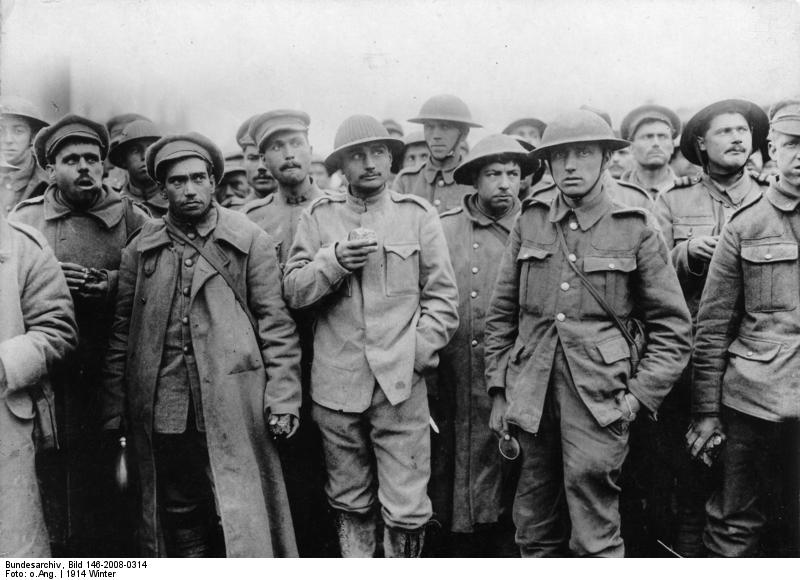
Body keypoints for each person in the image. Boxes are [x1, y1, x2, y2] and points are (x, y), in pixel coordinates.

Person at [484, 109, 692, 557]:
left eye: (583, 154)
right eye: (560, 156)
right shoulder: (531, 219)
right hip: (531, 396)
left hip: (601, 400)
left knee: (594, 531)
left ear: (604, 160)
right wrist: (500, 391)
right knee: (533, 526)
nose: (571, 165)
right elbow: (501, 315)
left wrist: (639, 396)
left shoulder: (635, 224)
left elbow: (673, 328)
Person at [101, 132, 301, 557]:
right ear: (162, 188)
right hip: (164, 403)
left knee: (238, 506)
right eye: (176, 182)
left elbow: (276, 326)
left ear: (213, 181)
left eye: (197, 178)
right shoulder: (141, 249)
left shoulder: (248, 239)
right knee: (178, 506)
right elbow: (122, 333)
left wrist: (284, 397)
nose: (188, 190)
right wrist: (116, 406)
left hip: (232, 399)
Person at [283, 114, 459, 557]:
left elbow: (442, 300)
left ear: (391, 159)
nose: (370, 163)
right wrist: (335, 260)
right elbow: (293, 292)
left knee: (407, 506)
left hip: (401, 388)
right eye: (357, 155)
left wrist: (416, 356)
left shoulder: (417, 216)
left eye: (378, 152)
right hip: (336, 386)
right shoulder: (319, 218)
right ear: (342, 165)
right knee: (348, 499)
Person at [10, 114, 150, 556]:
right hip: (48, 376)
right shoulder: (25, 221)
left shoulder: (133, 217)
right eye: (71, 160)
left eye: (93, 158)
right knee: (51, 473)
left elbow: (154, 282)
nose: (85, 167)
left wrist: (106, 285)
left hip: (113, 371)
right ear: (50, 170)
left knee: (114, 477)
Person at [645, 99, 770, 556]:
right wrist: (686, 253)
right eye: (724, 131)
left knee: (744, 482)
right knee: (689, 474)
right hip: (691, 362)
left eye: (743, 130)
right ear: (700, 144)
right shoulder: (674, 200)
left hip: (754, 363)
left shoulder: (769, 197)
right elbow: (650, 273)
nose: (737, 138)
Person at [690, 99, 800, 557]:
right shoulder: (747, 223)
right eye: (793, 144)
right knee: (735, 522)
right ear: (772, 147)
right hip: (754, 403)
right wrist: (706, 410)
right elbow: (713, 326)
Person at [437, 134, 537, 556]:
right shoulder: (444, 228)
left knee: (518, 465)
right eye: (493, 174)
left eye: (512, 174)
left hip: (520, 366)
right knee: (459, 461)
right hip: (457, 367)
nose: (503, 183)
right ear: (475, 180)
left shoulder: (538, 224)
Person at [0, 158, 77, 558]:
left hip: (4, 426)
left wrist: (5, 364)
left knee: (13, 550)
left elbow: (58, 330)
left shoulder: (23, 247)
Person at [243, 110, 324, 269]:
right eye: (276, 146)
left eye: (296, 143)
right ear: (264, 160)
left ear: (310, 151)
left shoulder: (338, 208)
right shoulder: (249, 219)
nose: (289, 155)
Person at [393, 94, 482, 213]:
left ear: (464, 134)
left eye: (445, 127)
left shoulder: (475, 181)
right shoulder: (406, 180)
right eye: (429, 127)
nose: (436, 136)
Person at [619, 104, 682, 200]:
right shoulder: (613, 192)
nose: (656, 143)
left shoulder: (688, 192)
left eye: (662, 137)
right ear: (631, 147)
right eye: (647, 137)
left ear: (672, 146)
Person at [0, 96, 50, 215]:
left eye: (18, 131)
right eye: (0, 130)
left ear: (33, 137)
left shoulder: (50, 185)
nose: (8, 139)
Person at [108, 119, 165, 216]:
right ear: (124, 161)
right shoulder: (114, 205)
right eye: (135, 150)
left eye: (150, 148)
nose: (144, 156)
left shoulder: (176, 201)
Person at [236, 114, 278, 203]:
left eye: (267, 158)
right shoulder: (233, 213)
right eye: (253, 158)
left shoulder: (307, 212)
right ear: (243, 162)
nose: (261, 167)